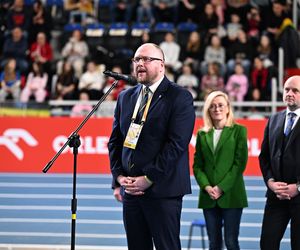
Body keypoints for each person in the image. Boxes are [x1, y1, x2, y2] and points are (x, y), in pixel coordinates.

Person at [108, 43, 195, 250]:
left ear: (162, 65)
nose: (140, 64)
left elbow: (177, 145)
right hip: (131, 190)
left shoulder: (179, 96)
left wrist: (148, 178)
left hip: (162, 190)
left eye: (146, 59)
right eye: (136, 59)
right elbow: (115, 141)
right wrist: (119, 178)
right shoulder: (125, 97)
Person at [193, 90, 248, 250]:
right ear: (208, 110)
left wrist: (221, 188)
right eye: (213, 106)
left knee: (231, 242)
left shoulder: (239, 131)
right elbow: (197, 166)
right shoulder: (202, 134)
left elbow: (239, 164)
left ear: (228, 108)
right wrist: (207, 187)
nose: (217, 109)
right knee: (213, 244)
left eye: (220, 105)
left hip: (232, 195)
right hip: (208, 196)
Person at [259, 75, 300, 250]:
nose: (290, 93)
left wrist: (298, 187)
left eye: (295, 90)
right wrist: (270, 183)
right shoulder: (274, 119)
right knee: (267, 245)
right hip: (276, 197)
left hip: (299, 197)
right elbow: (264, 157)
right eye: (287, 90)